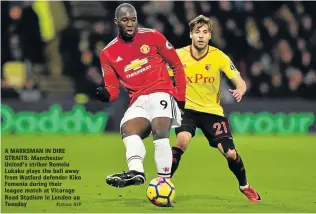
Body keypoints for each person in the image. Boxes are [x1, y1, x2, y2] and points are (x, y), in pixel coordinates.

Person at [169, 15, 261, 202]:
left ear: (210, 35)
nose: (201, 36)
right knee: (182, 140)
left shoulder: (219, 57)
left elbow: (240, 81)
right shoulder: (178, 55)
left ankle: (245, 186)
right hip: (187, 108)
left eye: (205, 32)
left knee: (230, 153)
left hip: (212, 112)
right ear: (191, 35)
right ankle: (163, 181)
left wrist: (240, 90)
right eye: (197, 32)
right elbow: (163, 77)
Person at [96, 3, 186, 188]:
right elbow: (113, 90)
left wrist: (181, 98)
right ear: (116, 22)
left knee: (160, 132)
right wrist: (106, 95)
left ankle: (164, 182)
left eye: (133, 19)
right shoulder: (107, 53)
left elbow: (177, 66)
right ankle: (136, 171)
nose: (130, 24)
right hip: (137, 100)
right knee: (128, 129)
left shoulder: (152, 36)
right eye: (125, 20)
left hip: (162, 91)